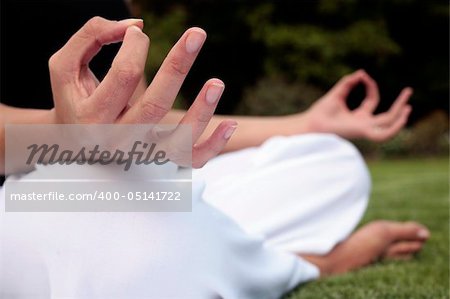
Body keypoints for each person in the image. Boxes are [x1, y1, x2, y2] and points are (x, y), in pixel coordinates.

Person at [0, 16, 429, 299]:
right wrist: (65, 134)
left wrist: (305, 124)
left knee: (333, 161)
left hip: (121, 176)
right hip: (25, 185)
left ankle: (200, 246)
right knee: (120, 245)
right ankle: (311, 264)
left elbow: (138, 118)